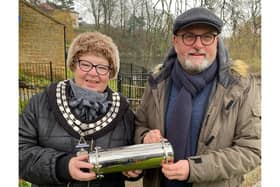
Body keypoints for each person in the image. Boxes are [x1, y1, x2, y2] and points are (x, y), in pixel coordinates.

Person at [134, 7, 261, 187]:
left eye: (207, 37)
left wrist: (195, 169)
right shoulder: (157, 82)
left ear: (216, 41)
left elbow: (252, 150)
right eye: (189, 36)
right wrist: (145, 137)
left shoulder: (240, 86)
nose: (198, 45)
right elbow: (139, 125)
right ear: (175, 41)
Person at [19, 32, 141, 187]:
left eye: (102, 67)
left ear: (110, 73)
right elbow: (18, 151)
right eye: (85, 64)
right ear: (73, 65)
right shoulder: (41, 103)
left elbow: (132, 154)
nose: (93, 73)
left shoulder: (124, 112)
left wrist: (133, 169)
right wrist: (62, 166)